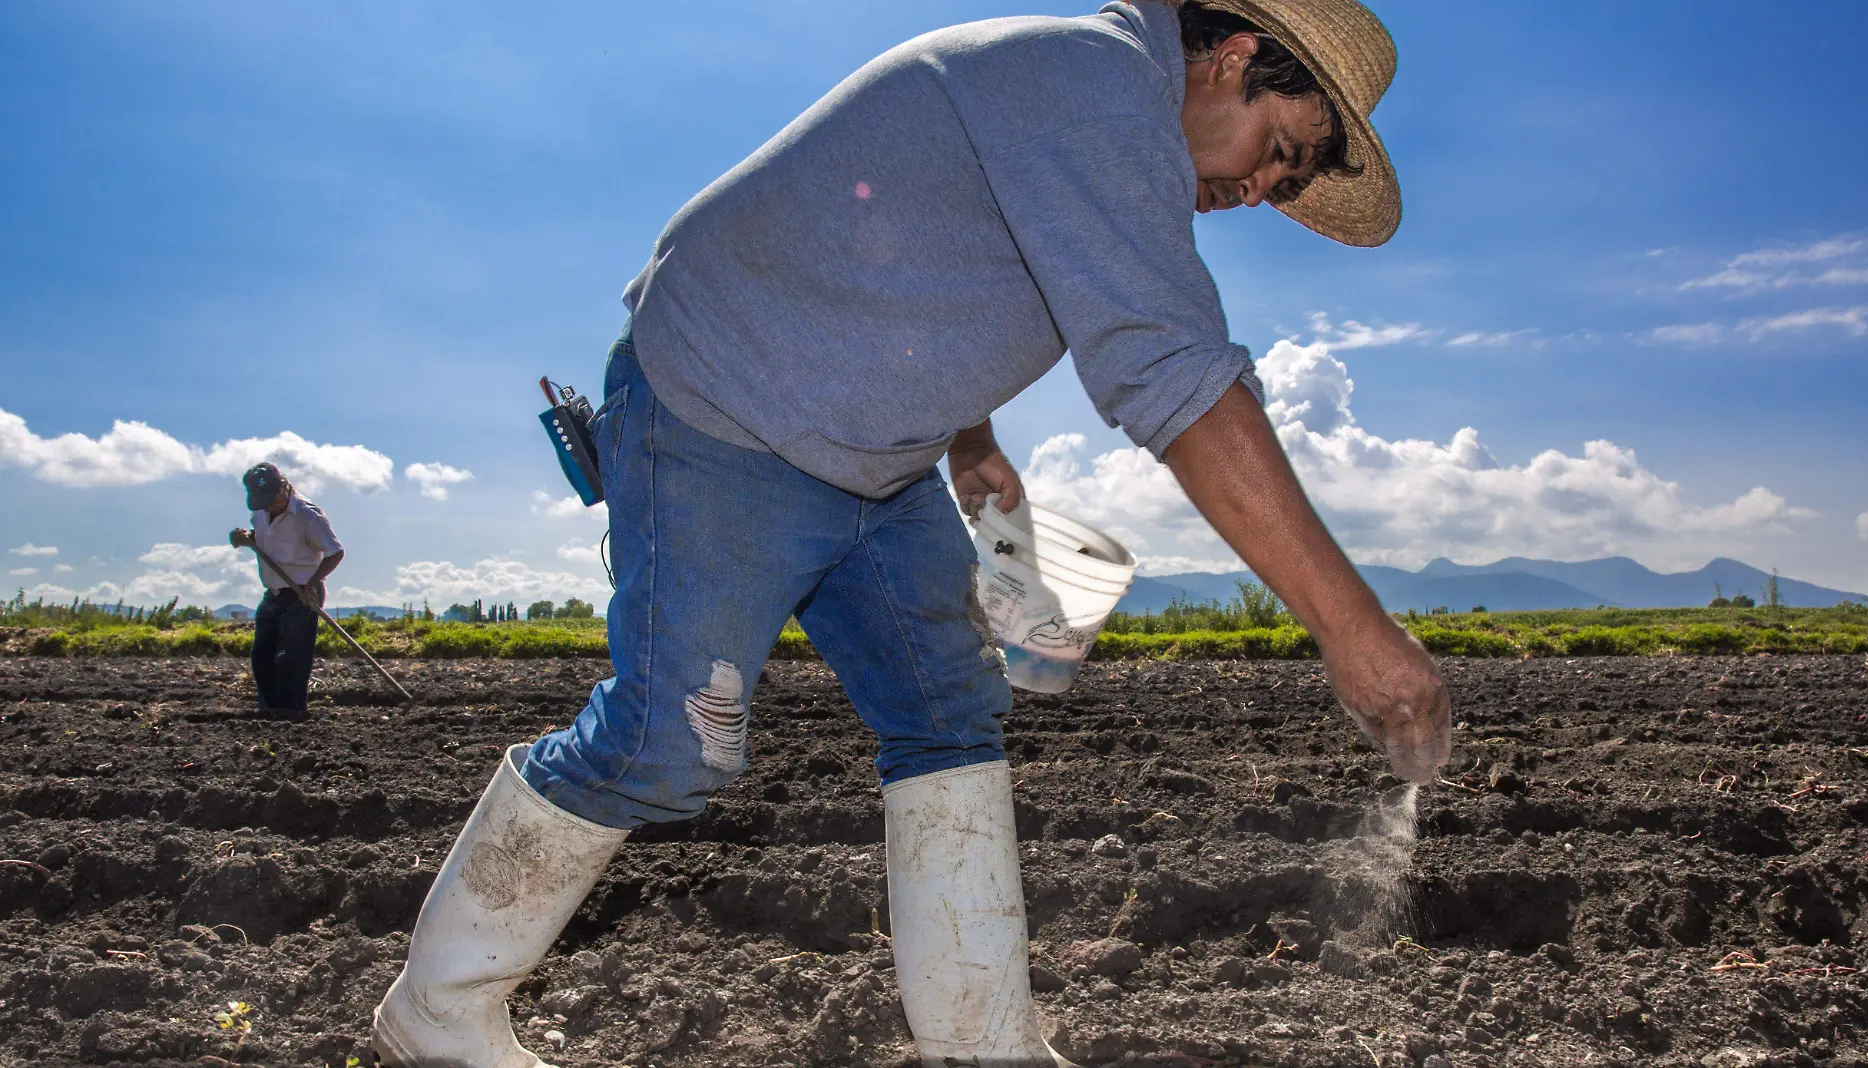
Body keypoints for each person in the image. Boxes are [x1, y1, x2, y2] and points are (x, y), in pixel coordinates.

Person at [374, 2, 1452, 1065]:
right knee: (669, 746)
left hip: (875, 469)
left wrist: (967, 438)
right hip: (722, 415)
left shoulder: (1092, 113)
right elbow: (1170, 373)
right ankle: (438, 1011)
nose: (1263, 192)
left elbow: (915, 243)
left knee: (948, 717)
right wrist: (1355, 633)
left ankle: (982, 1046)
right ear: (1234, 57)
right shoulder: (1096, 86)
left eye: (1291, 183)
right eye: (1280, 153)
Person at [228, 462, 344, 722]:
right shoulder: (259, 512)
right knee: (261, 656)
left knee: (291, 657)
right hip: (273, 592)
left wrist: (313, 583)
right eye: (261, 502)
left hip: (302, 592)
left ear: (283, 488)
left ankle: (292, 714)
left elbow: (335, 553)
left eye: (270, 500)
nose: (267, 506)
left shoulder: (308, 516)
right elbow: (263, 538)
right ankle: (269, 712)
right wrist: (245, 538)